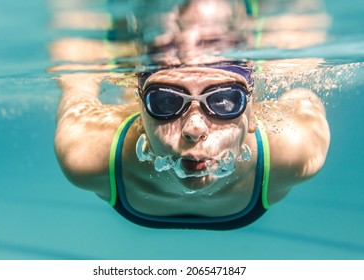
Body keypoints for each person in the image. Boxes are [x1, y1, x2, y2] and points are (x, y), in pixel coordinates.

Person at [52, 0, 330, 230]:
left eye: (223, 101)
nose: (194, 129)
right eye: (165, 101)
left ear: (252, 113)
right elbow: (77, 84)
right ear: (141, 111)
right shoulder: (86, 155)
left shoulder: (296, 149)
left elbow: (301, 94)